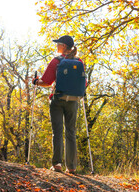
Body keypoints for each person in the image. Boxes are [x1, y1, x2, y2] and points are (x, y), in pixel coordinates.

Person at [32, 35, 84, 174]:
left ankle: (57, 164)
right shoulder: (79, 61)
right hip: (73, 101)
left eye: (58, 44)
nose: (57, 46)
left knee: (57, 132)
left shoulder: (56, 61)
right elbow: (83, 83)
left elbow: (47, 81)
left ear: (64, 46)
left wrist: (36, 81)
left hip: (57, 99)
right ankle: (72, 167)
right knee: (71, 132)